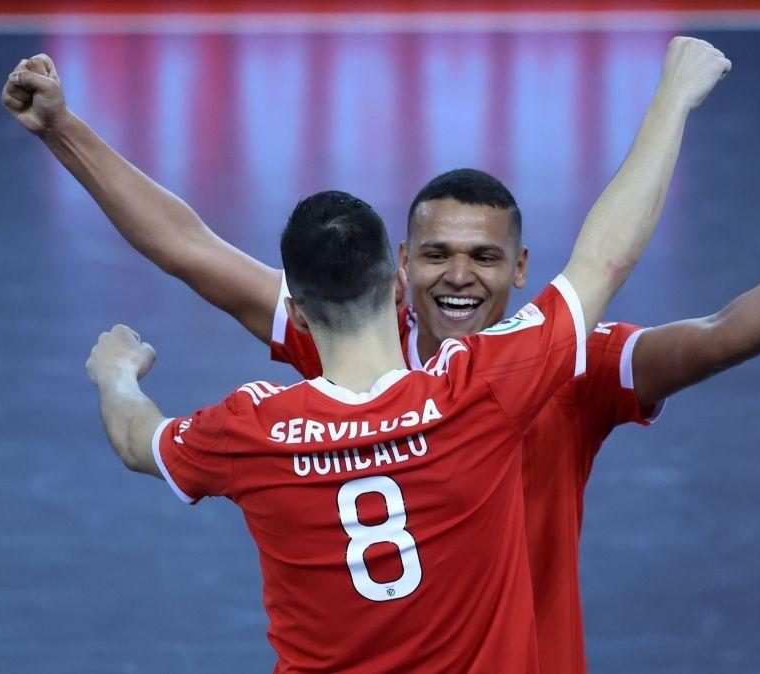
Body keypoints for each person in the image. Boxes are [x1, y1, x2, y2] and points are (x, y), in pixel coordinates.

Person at [3, 36, 760, 671]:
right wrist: (64, 131)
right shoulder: (474, 362)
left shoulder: (558, 362)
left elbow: (713, 339)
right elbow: (189, 248)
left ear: (520, 268)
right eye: (436, 254)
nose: (458, 274)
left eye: (483, 257)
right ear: (398, 269)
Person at [84, 163, 674, 672]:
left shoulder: (251, 428)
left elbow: (139, 439)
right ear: (397, 282)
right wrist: (675, 91)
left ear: (296, 312)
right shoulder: (474, 397)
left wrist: (117, 374)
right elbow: (604, 261)